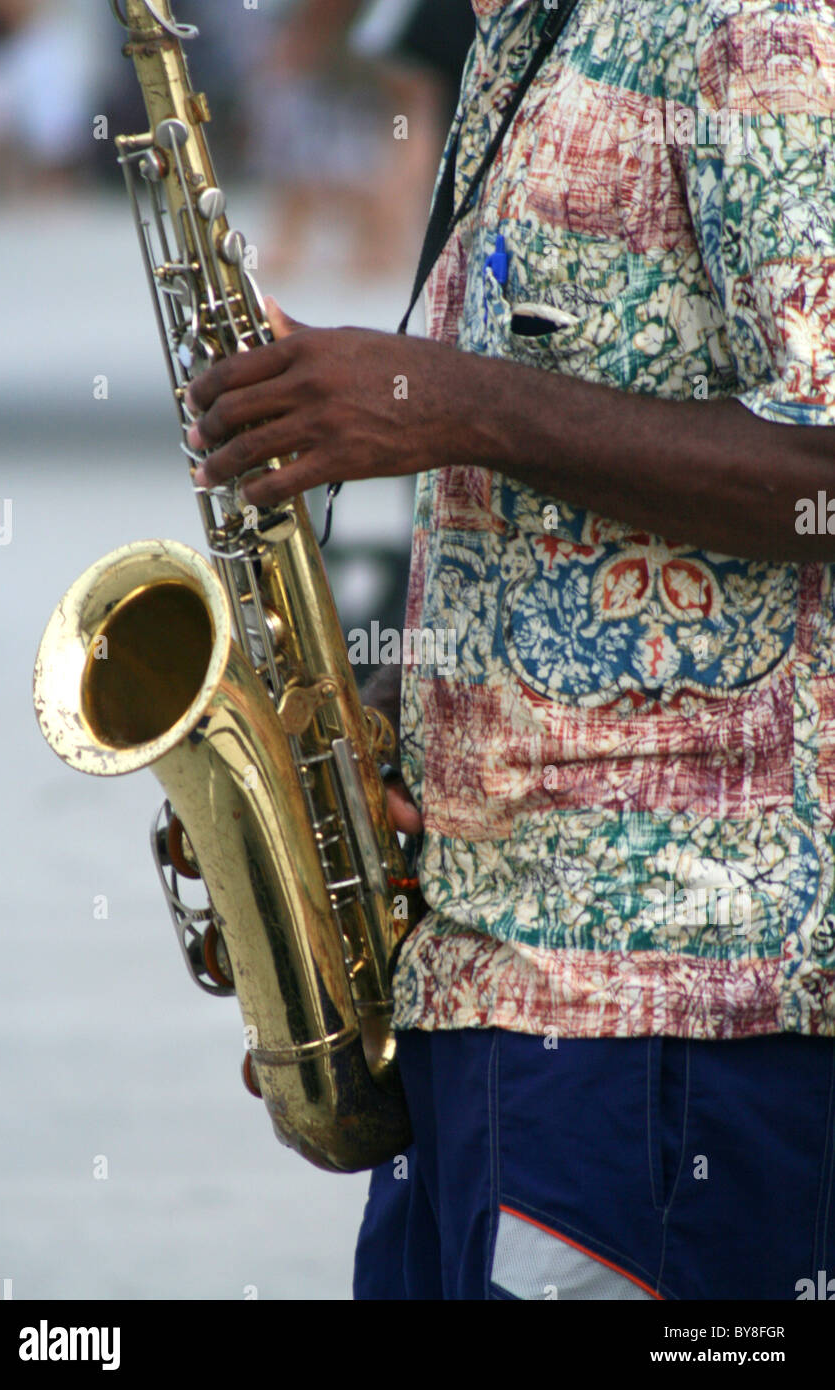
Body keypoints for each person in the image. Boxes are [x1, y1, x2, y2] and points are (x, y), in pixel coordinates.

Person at [184, 0, 835, 1300]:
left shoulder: (750, 25)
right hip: (490, 1000)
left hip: (670, 1011)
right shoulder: (521, 34)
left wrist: (441, 397)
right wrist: (333, 746)